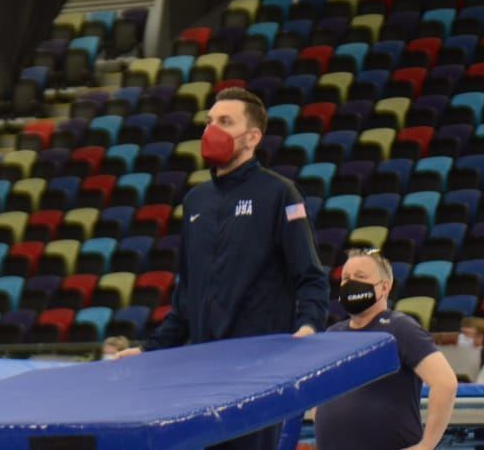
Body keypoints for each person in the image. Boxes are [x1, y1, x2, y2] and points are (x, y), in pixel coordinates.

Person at [120, 90, 329, 450]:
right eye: (209, 122)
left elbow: (310, 276)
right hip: (201, 374)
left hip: (257, 372)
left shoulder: (280, 194)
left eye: (225, 122)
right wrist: (148, 350)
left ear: (253, 138)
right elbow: (185, 300)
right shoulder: (194, 201)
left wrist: (308, 328)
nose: (211, 130)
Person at [313, 250, 457, 450]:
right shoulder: (333, 333)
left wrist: (426, 445)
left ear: (385, 287)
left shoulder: (399, 328)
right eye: (346, 278)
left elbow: (445, 384)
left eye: (361, 277)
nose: (350, 283)